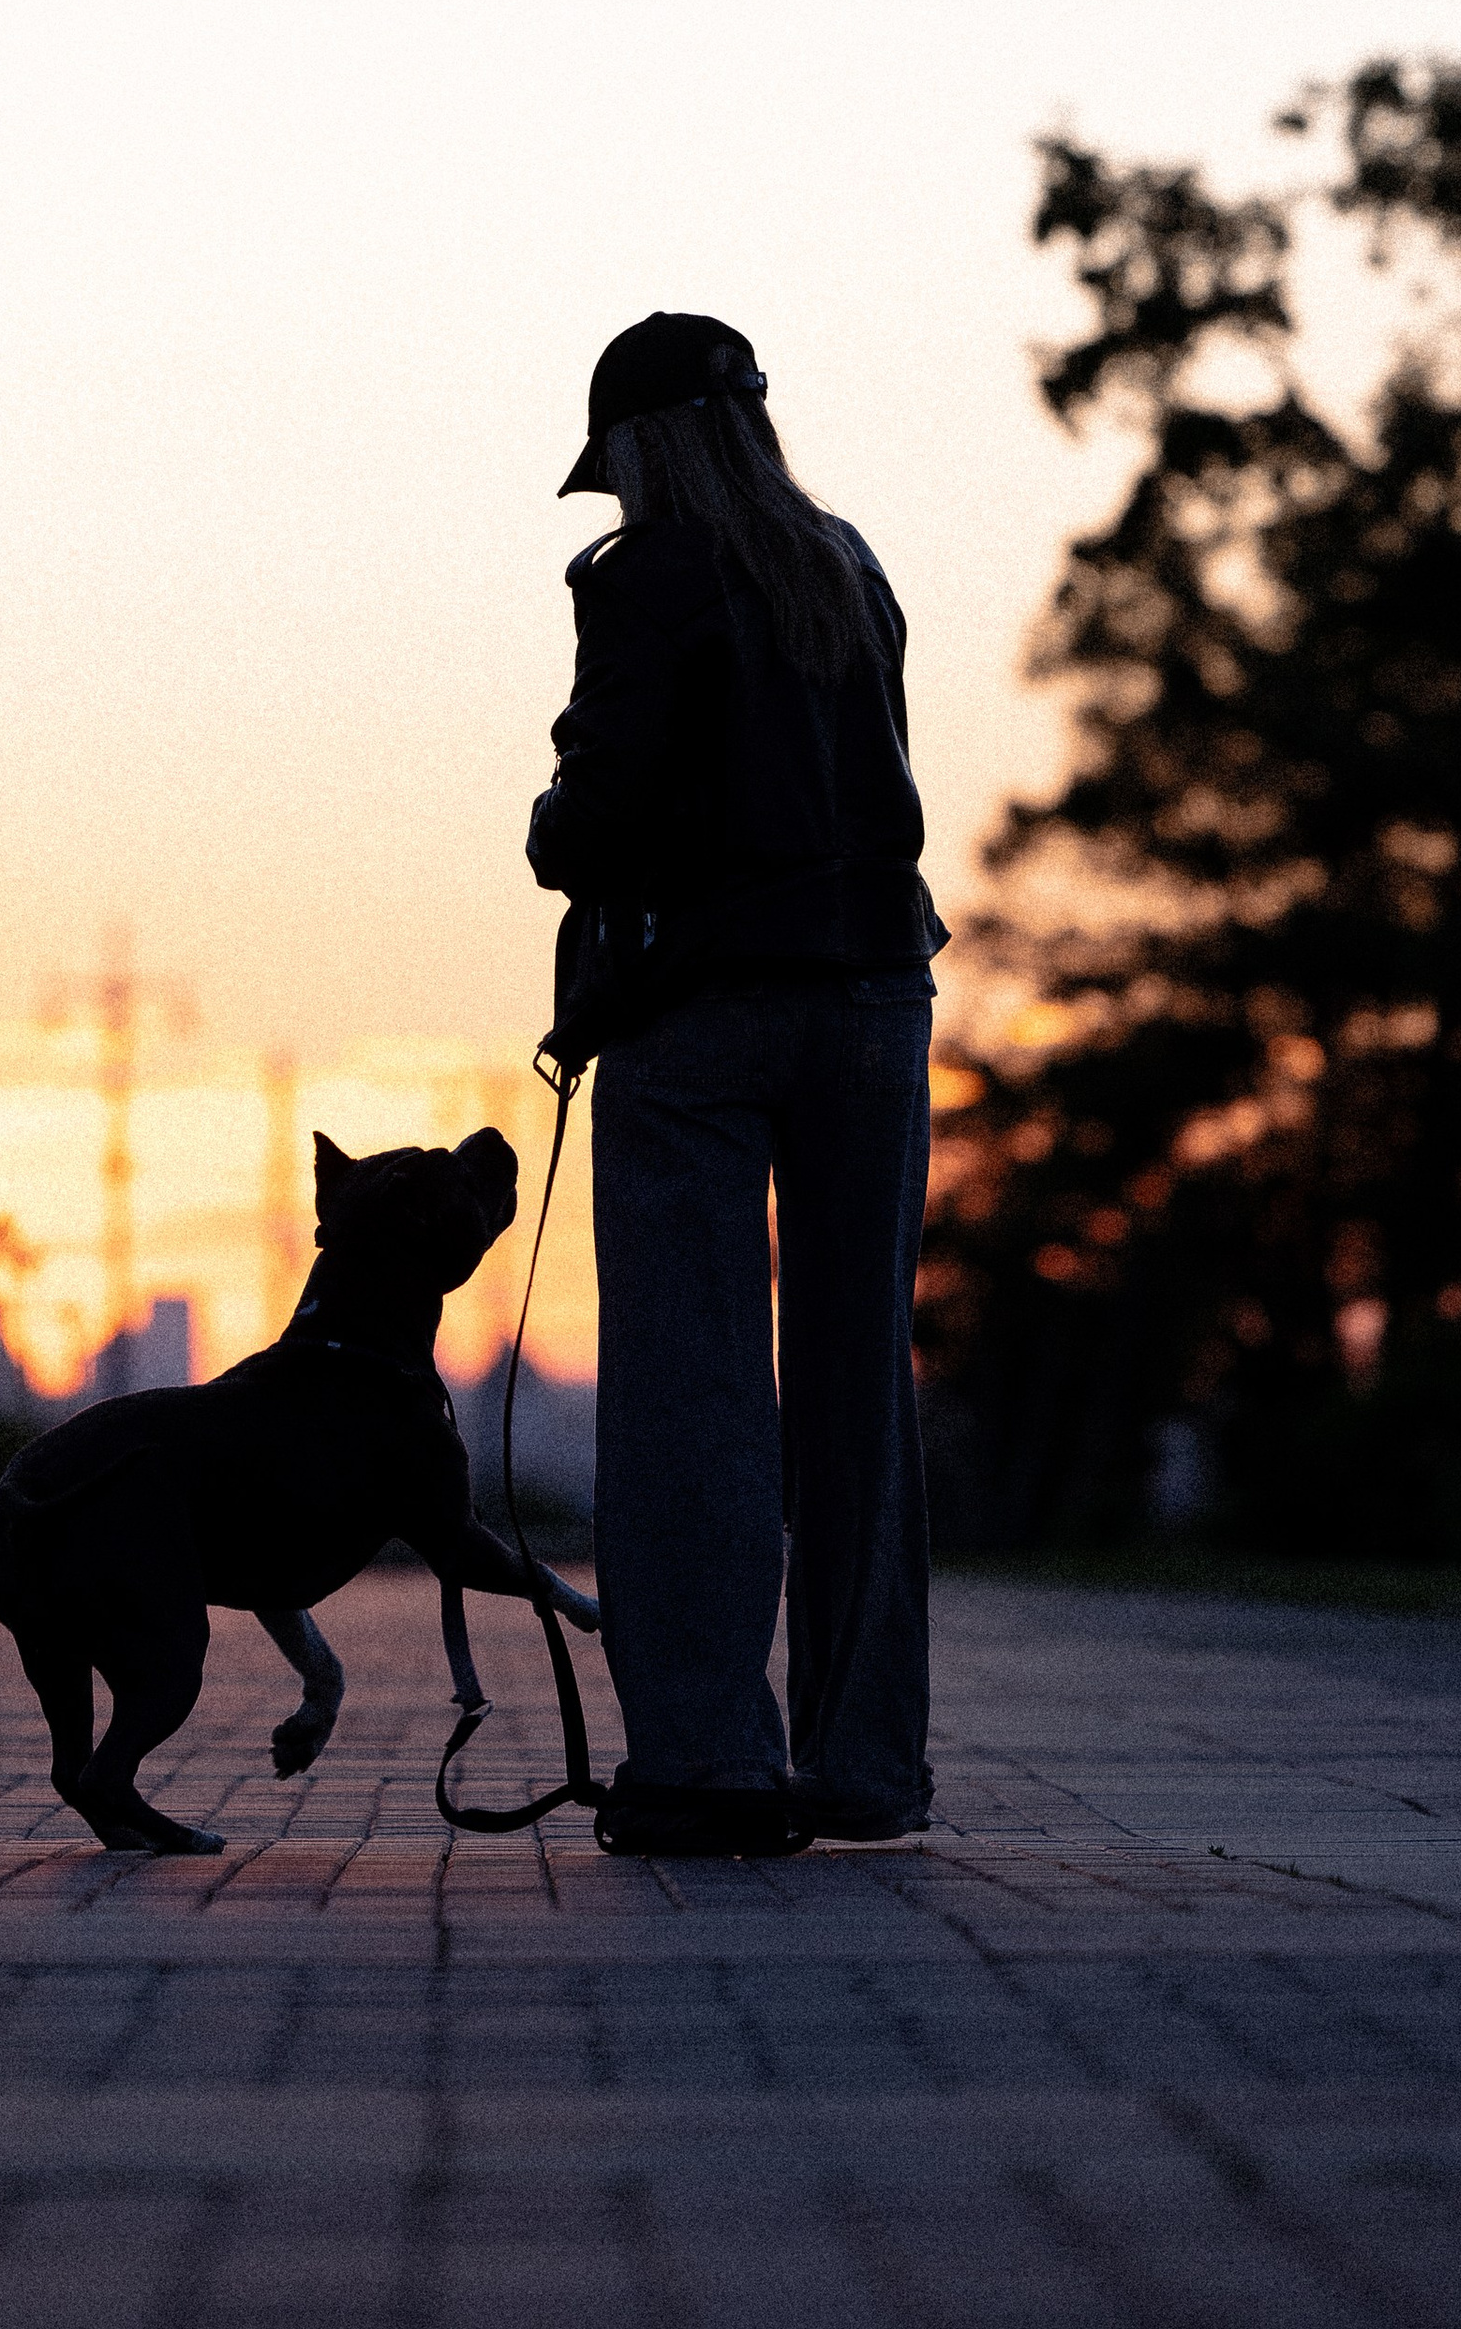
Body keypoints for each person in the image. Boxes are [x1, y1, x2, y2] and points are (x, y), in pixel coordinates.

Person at [527, 311, 947, 1860]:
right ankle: (864, 1764)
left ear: (641, 450)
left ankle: (708, 1759)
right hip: (874, 995)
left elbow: (605, 810)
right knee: (857, 1389)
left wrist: (552, 818)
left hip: (699, 1015)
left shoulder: (644, 577)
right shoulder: (851, 566)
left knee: (693, 1390)